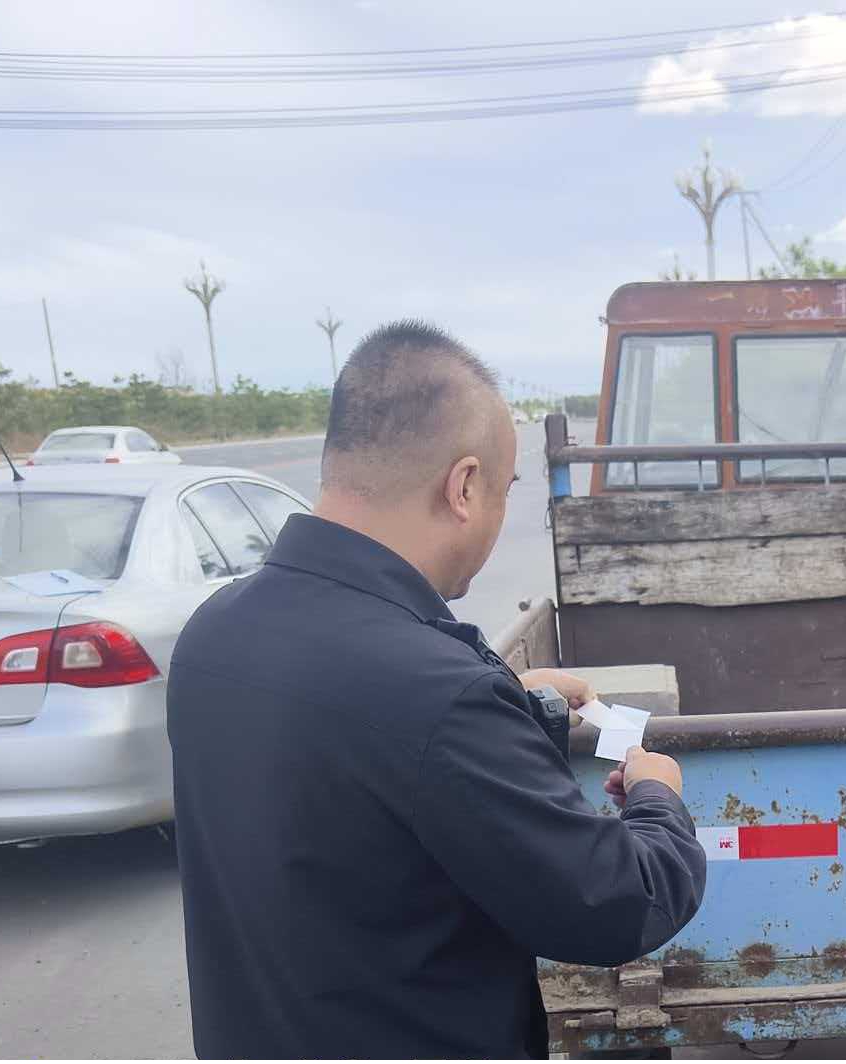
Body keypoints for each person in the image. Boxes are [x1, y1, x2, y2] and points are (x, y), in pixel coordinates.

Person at [167, 321, 706, 1058]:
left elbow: (352, 774)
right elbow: (615, 906)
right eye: (502, 493)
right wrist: (656, 797)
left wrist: (505, 697)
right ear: (463, 486)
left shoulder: (214, 633)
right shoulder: (435, 695)